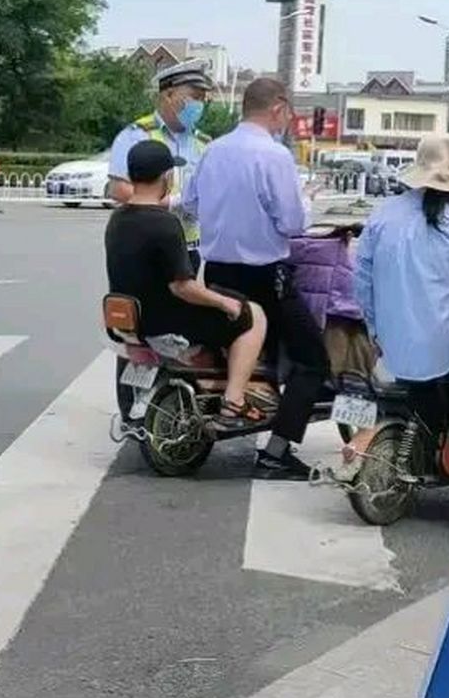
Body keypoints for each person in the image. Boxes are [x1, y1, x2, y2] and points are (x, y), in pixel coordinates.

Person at [353, 133, 449, 530]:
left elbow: (363, 279)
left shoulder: (384, 216)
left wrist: (376, 330)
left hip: (395, 346)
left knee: (422, 398)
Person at [185, 77, 328, 479]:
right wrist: (309, 203)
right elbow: (292, 223)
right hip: (265, 277)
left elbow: (191, 204)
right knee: (312, 360)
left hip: (216, 273)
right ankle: (276, 452)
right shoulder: (274, 155)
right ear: (279, 108)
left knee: (228, 343)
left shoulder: (213, 150)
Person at [105, 140, 274, 424]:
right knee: (253, 314)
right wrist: (226, 303)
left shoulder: (117, 219)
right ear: (166, 177)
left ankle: (208, 387)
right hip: (167, 320)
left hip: (133, 319)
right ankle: (234, 400)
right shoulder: (165, 223)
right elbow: (182, 286)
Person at [107, 59, 213, 271]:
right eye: (194, 97)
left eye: (203, 99)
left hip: (188, 246)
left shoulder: (204, 144)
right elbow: (119, 189)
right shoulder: (136, 135)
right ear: (168, 95)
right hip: (145, 242)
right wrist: (168, 203)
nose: (199, 105)